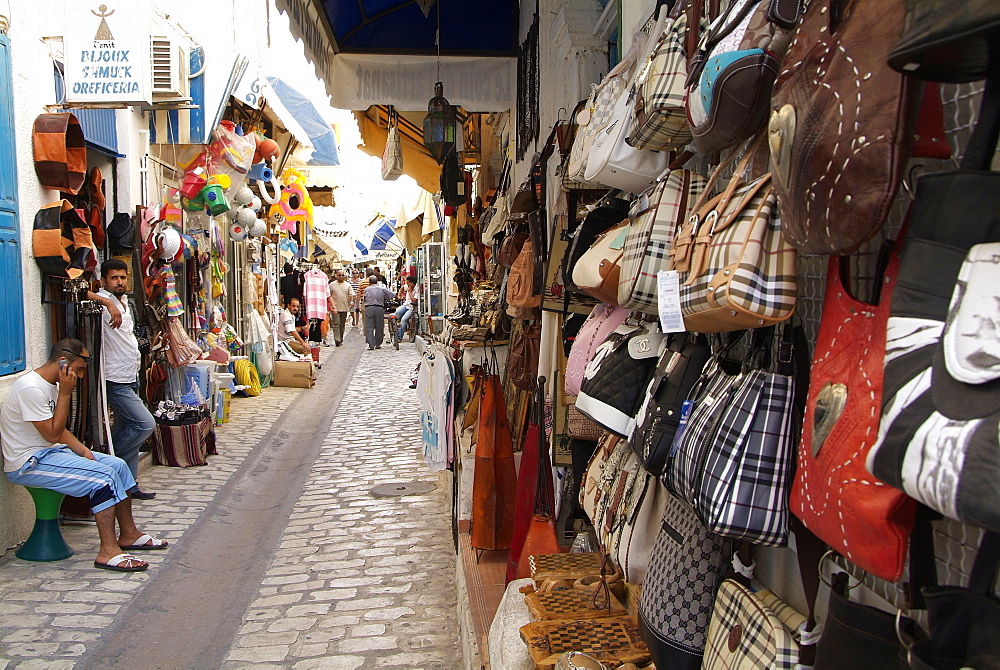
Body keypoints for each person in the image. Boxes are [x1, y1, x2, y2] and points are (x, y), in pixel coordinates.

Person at [1, 339, 168, 572]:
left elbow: (58, 430)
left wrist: (83, 450)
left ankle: (128, 534)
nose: (80, 376)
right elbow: (51, 433)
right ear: (63, 363)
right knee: (103, 477)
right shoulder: (31, 387)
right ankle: (108, 551)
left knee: (118, 466)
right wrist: (65, 396)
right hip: (28, 463)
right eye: (79, 370)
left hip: (50, 454)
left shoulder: (52, 383)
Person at [87, 259, 157, 500]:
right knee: (145, 424)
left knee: (129, 427)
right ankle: (106, 461)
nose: (120, 282)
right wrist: (106, 300)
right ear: (104, 280)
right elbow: (78, 290)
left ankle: (129, 485)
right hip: (114, 378)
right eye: (114, 278)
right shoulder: (102, 300)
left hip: (130, 374)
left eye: (123, 277)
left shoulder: (126, 301)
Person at [362, 278, 397, 350]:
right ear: (376, 282)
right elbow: (392, 295)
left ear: (369, 282)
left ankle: (371, 344)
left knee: (369, 327)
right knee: (379, 326)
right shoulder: (381, 289)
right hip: (379, 308)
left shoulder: (366, 289)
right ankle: (378, 344)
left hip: (369, 308)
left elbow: (364, 299)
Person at [327, 269, 354, 347]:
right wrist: (330, 306)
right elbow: (329, 295)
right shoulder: (332, 285)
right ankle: (337, 339)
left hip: (344, 307)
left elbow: (351, 294)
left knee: (342, 324)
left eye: (342, 275)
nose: (341, 277)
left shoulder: (348, 285)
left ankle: (341, 338)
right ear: (336, 276)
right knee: (336, 323)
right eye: (339, 275)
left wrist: (351, 302)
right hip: (335, 307)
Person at [394, 276, 418, 341]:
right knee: (397, 312)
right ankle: (402, 325)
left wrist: (410, 292)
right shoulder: (407, 286)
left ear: (412, 283)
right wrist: (399, 295)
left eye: (408, 282)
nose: (407, 284)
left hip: (411, 307)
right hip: (405, 305)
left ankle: (399, 337)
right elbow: (402, 288)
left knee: (403, 320)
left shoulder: (416, 289)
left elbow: (414, 300)